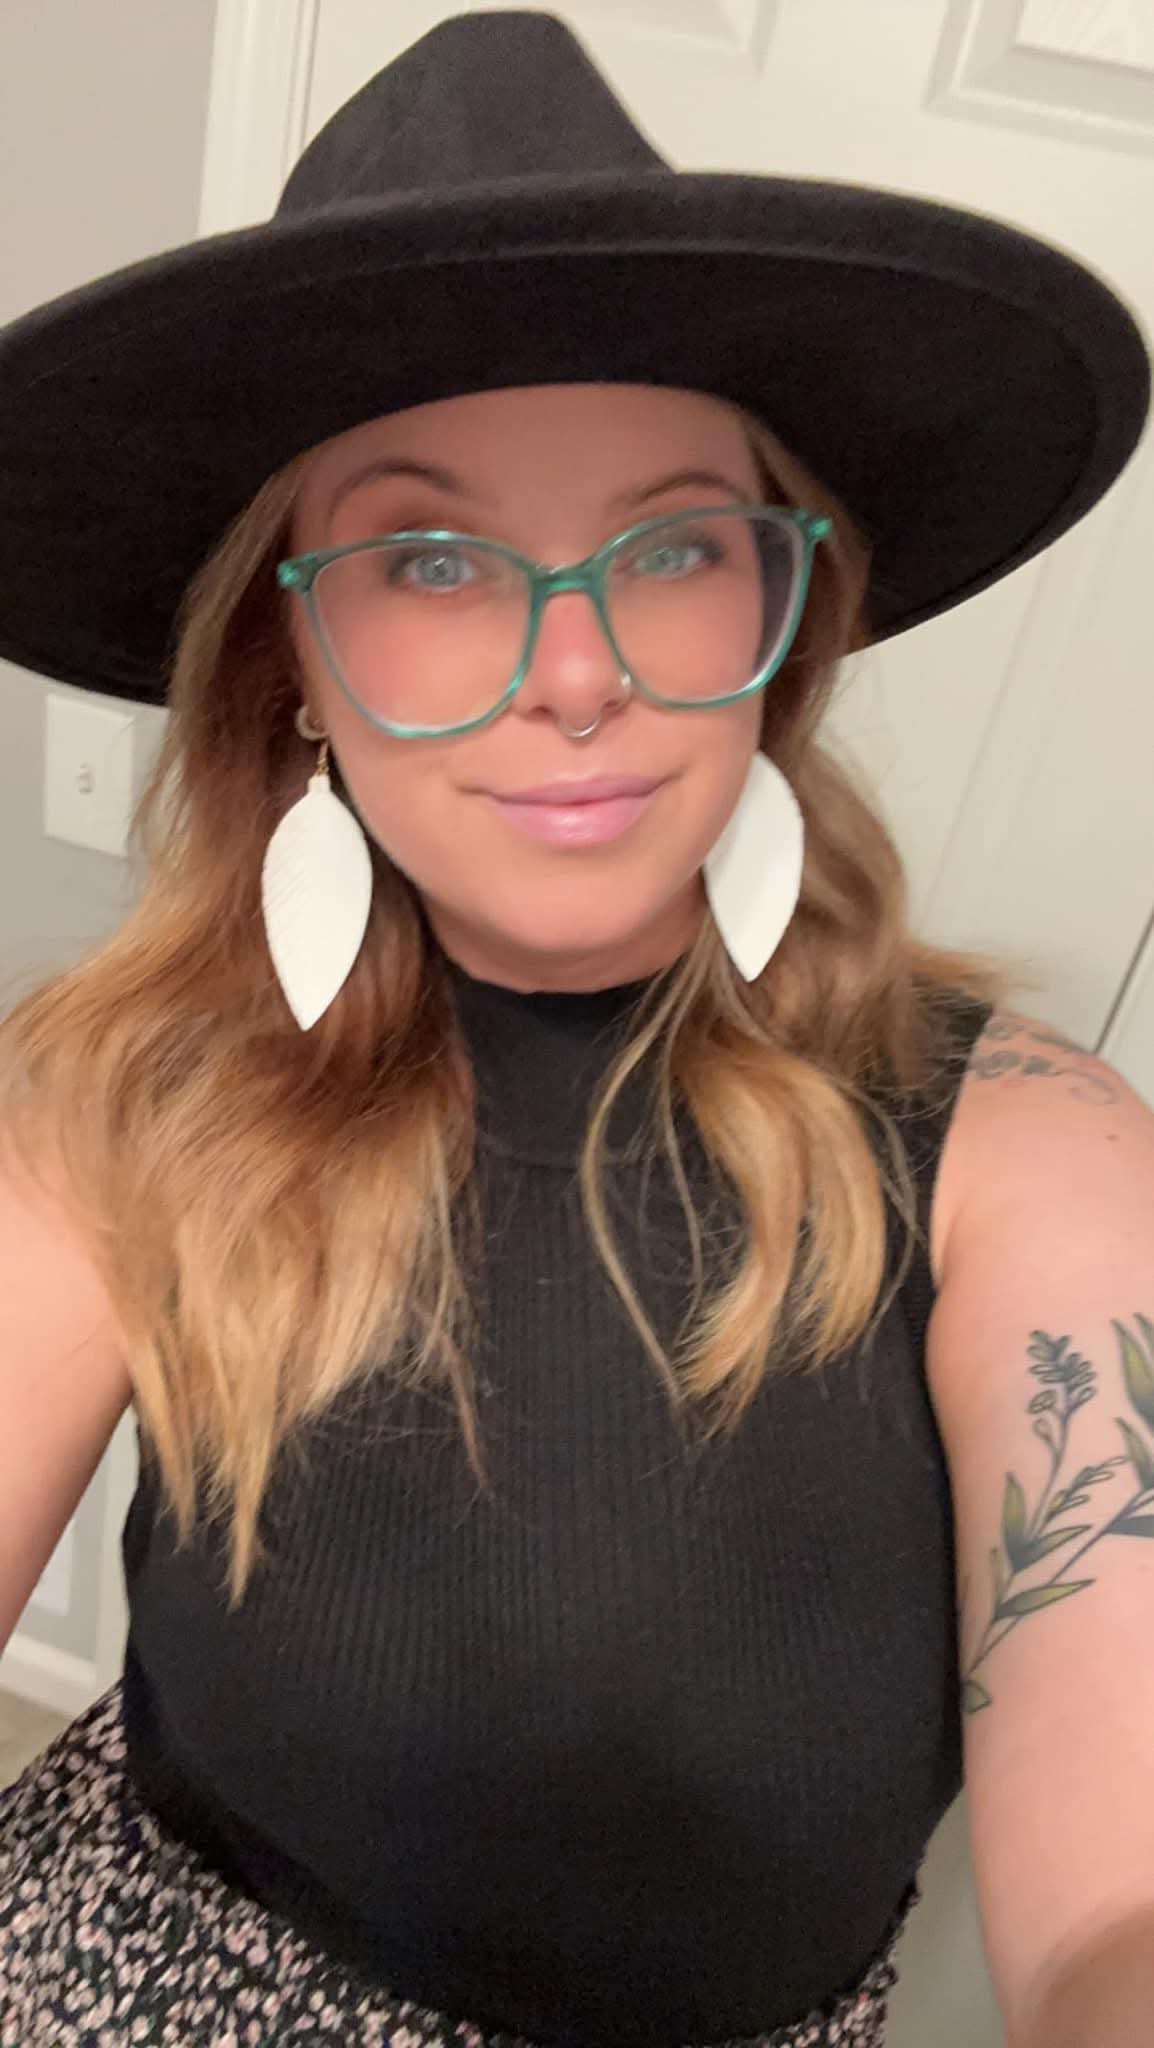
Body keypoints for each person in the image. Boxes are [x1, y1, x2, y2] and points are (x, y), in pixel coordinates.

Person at [0, 12, 1151, 2048]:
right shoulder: (131, 1099)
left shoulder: (1029, 1154)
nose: (577, 672)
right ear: (289, 650)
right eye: (434, 555)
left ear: (780, 615)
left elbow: (1115, 1907)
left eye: (674, 544)